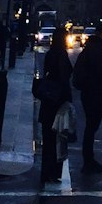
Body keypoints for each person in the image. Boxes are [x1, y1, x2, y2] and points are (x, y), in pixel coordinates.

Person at [72, 20, 102, 174]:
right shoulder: (99, 50)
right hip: (94, 92)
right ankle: (88, 161)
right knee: (91, 127)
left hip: (89, 92)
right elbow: (100, 72)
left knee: (90, 127)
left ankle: (88, 159)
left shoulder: (90, 48)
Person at [38, 25, 73, 185]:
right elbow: (64, 77)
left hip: (48, 100)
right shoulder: (61, 55)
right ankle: (53, 171)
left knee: (48, 138)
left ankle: (46, 171)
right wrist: (67, 98)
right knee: (57, 138)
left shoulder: (50, 54)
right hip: (57, 101)